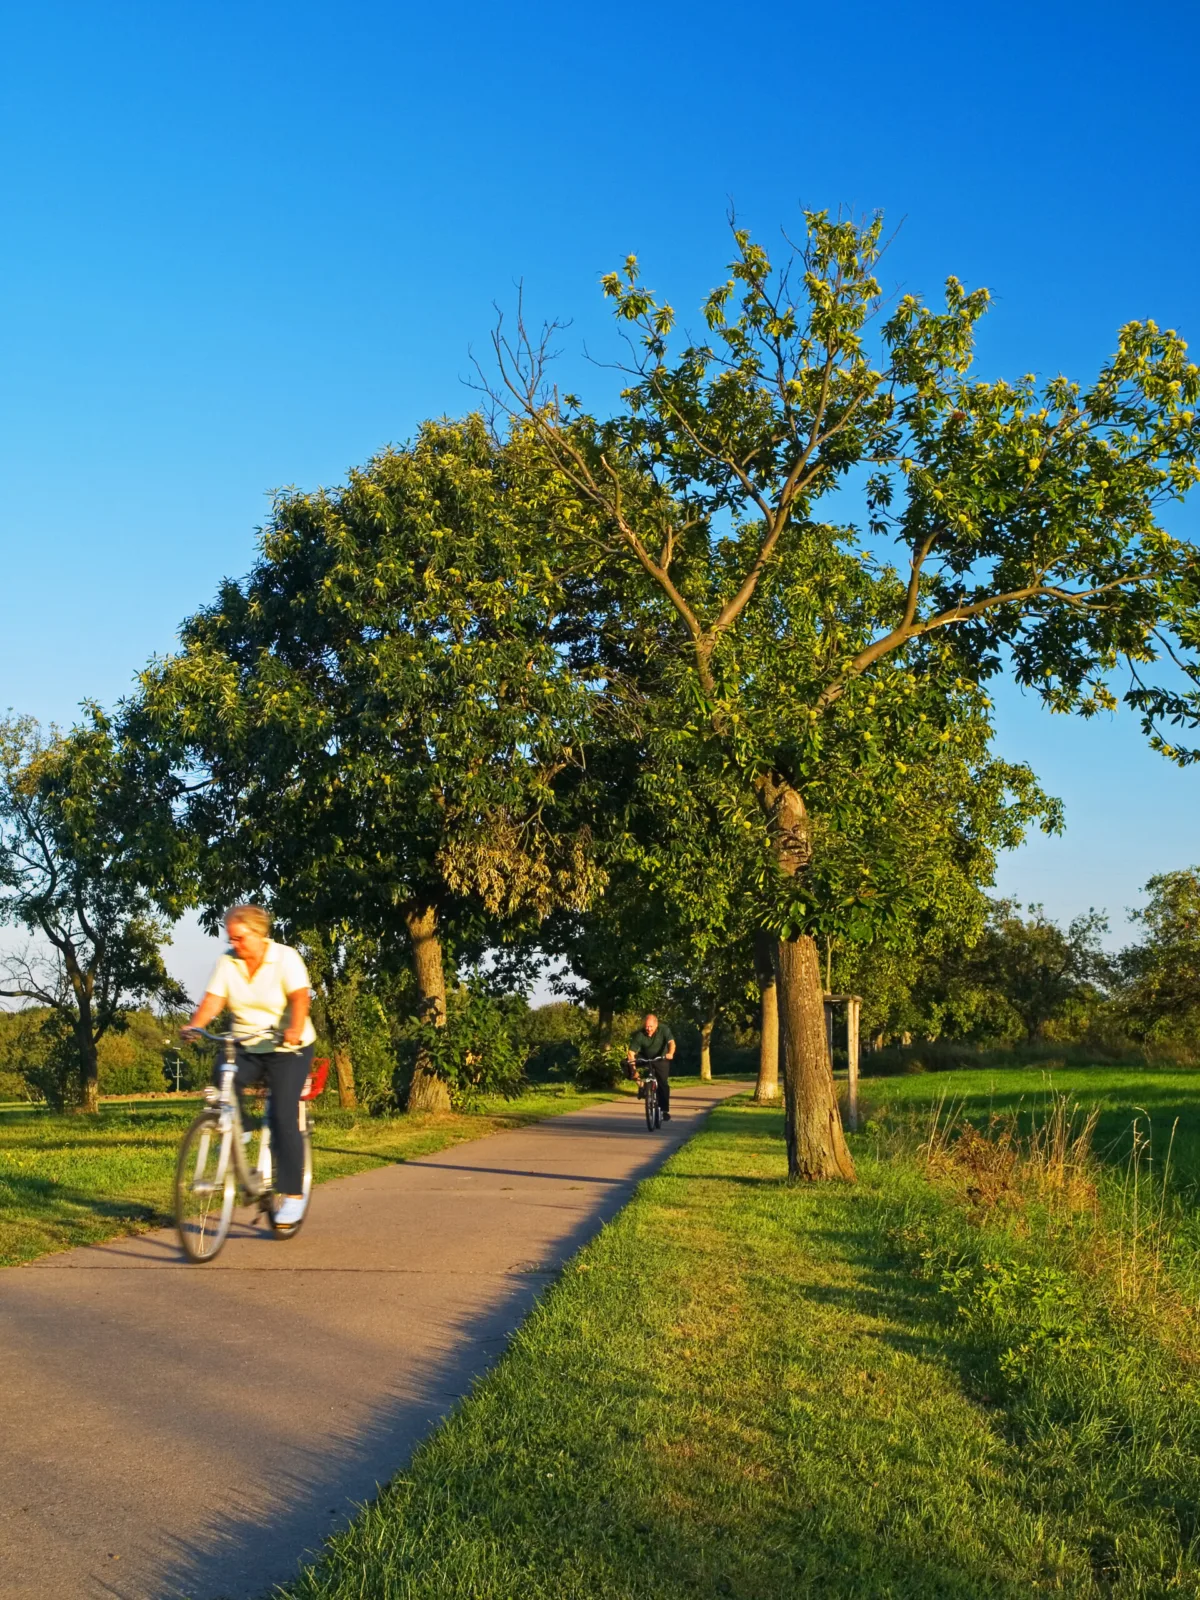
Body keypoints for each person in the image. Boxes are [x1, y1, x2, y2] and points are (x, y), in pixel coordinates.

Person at [183, 905, 315, 1230]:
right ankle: (235, 1133)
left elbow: (300, 998)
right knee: (222, 1073)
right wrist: (194, 1026)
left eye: (240, 938)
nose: (235, 945)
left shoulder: (286, 958)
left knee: (284, 1114)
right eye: (231, 939)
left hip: (288, 1046)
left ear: (259, 934)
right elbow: (214, 1001)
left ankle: (293, 1197)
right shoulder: (228, 962)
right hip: (247, 1043)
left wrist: (295, 1028)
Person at [626, 1011, 676, 1121]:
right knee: (625, 1063)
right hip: (645, 1057)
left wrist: (670, 1053)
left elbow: (671, 1043)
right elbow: (631, 1052)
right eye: (646, 1026)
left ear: (656, 1025)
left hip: (661, 1058)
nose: (648, 1029)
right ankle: (641, 1085)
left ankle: (664, 1111)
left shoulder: (664, 1030)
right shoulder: (640, 1034)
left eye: (651, 1026)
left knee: (663, 1083)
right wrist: (634, 1071)